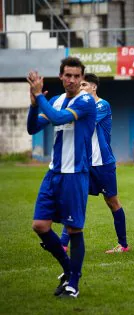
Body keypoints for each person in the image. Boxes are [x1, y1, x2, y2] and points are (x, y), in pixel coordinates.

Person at [26, 57, 96, 298]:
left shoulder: (86, 101)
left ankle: (73, 284)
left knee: (74, 229)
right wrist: (34, 104)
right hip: (54, 173)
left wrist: (41, 98)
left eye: (77, 76)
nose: (73, 80)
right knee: (40, 225)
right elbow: (33, 128)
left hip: (75, 175)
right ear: (61, 77)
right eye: (68, 75)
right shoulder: (55, 100)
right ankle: (68, 269)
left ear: (82, 78)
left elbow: (56, 119)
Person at [59, 73, 130, 254]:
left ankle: (123, 244)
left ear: (93, 87)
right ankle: (63, 243)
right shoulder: (79, 105)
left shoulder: (102, 105)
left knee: (112, 201)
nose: (80, 88)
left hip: (103, 164)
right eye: (79, 85)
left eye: (84, 85)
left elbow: (82, 122)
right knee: (75, 199)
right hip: (83, 164)